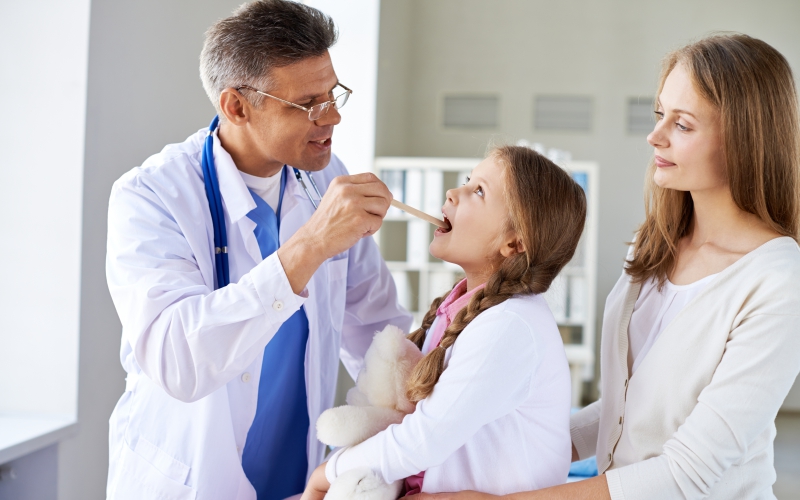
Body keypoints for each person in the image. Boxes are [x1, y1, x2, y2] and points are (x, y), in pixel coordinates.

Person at [406, 33, 800, 500]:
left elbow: (688, 473)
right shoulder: (652, 247)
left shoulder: (777, 282)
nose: (655, 136)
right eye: (659, 115)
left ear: (744, 139)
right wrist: (521, 429)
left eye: (683, 125)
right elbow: (623, 409)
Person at [104, 2, 412, 499]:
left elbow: (377, 329)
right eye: (308, 103)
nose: (331, 117)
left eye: (333, 94)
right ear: (237, 107)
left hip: (299, 480)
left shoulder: (326, 180)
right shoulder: (151, 196)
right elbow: (178, 362)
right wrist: (312, 245)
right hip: (191, 481)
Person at [301, 145, 588, 498]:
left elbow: (422, 439)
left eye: (478, 191)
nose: (454, 192)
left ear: (514, 242)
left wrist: (328, 472)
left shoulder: (510, 325)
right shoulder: (467, 308)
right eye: (469, 181)